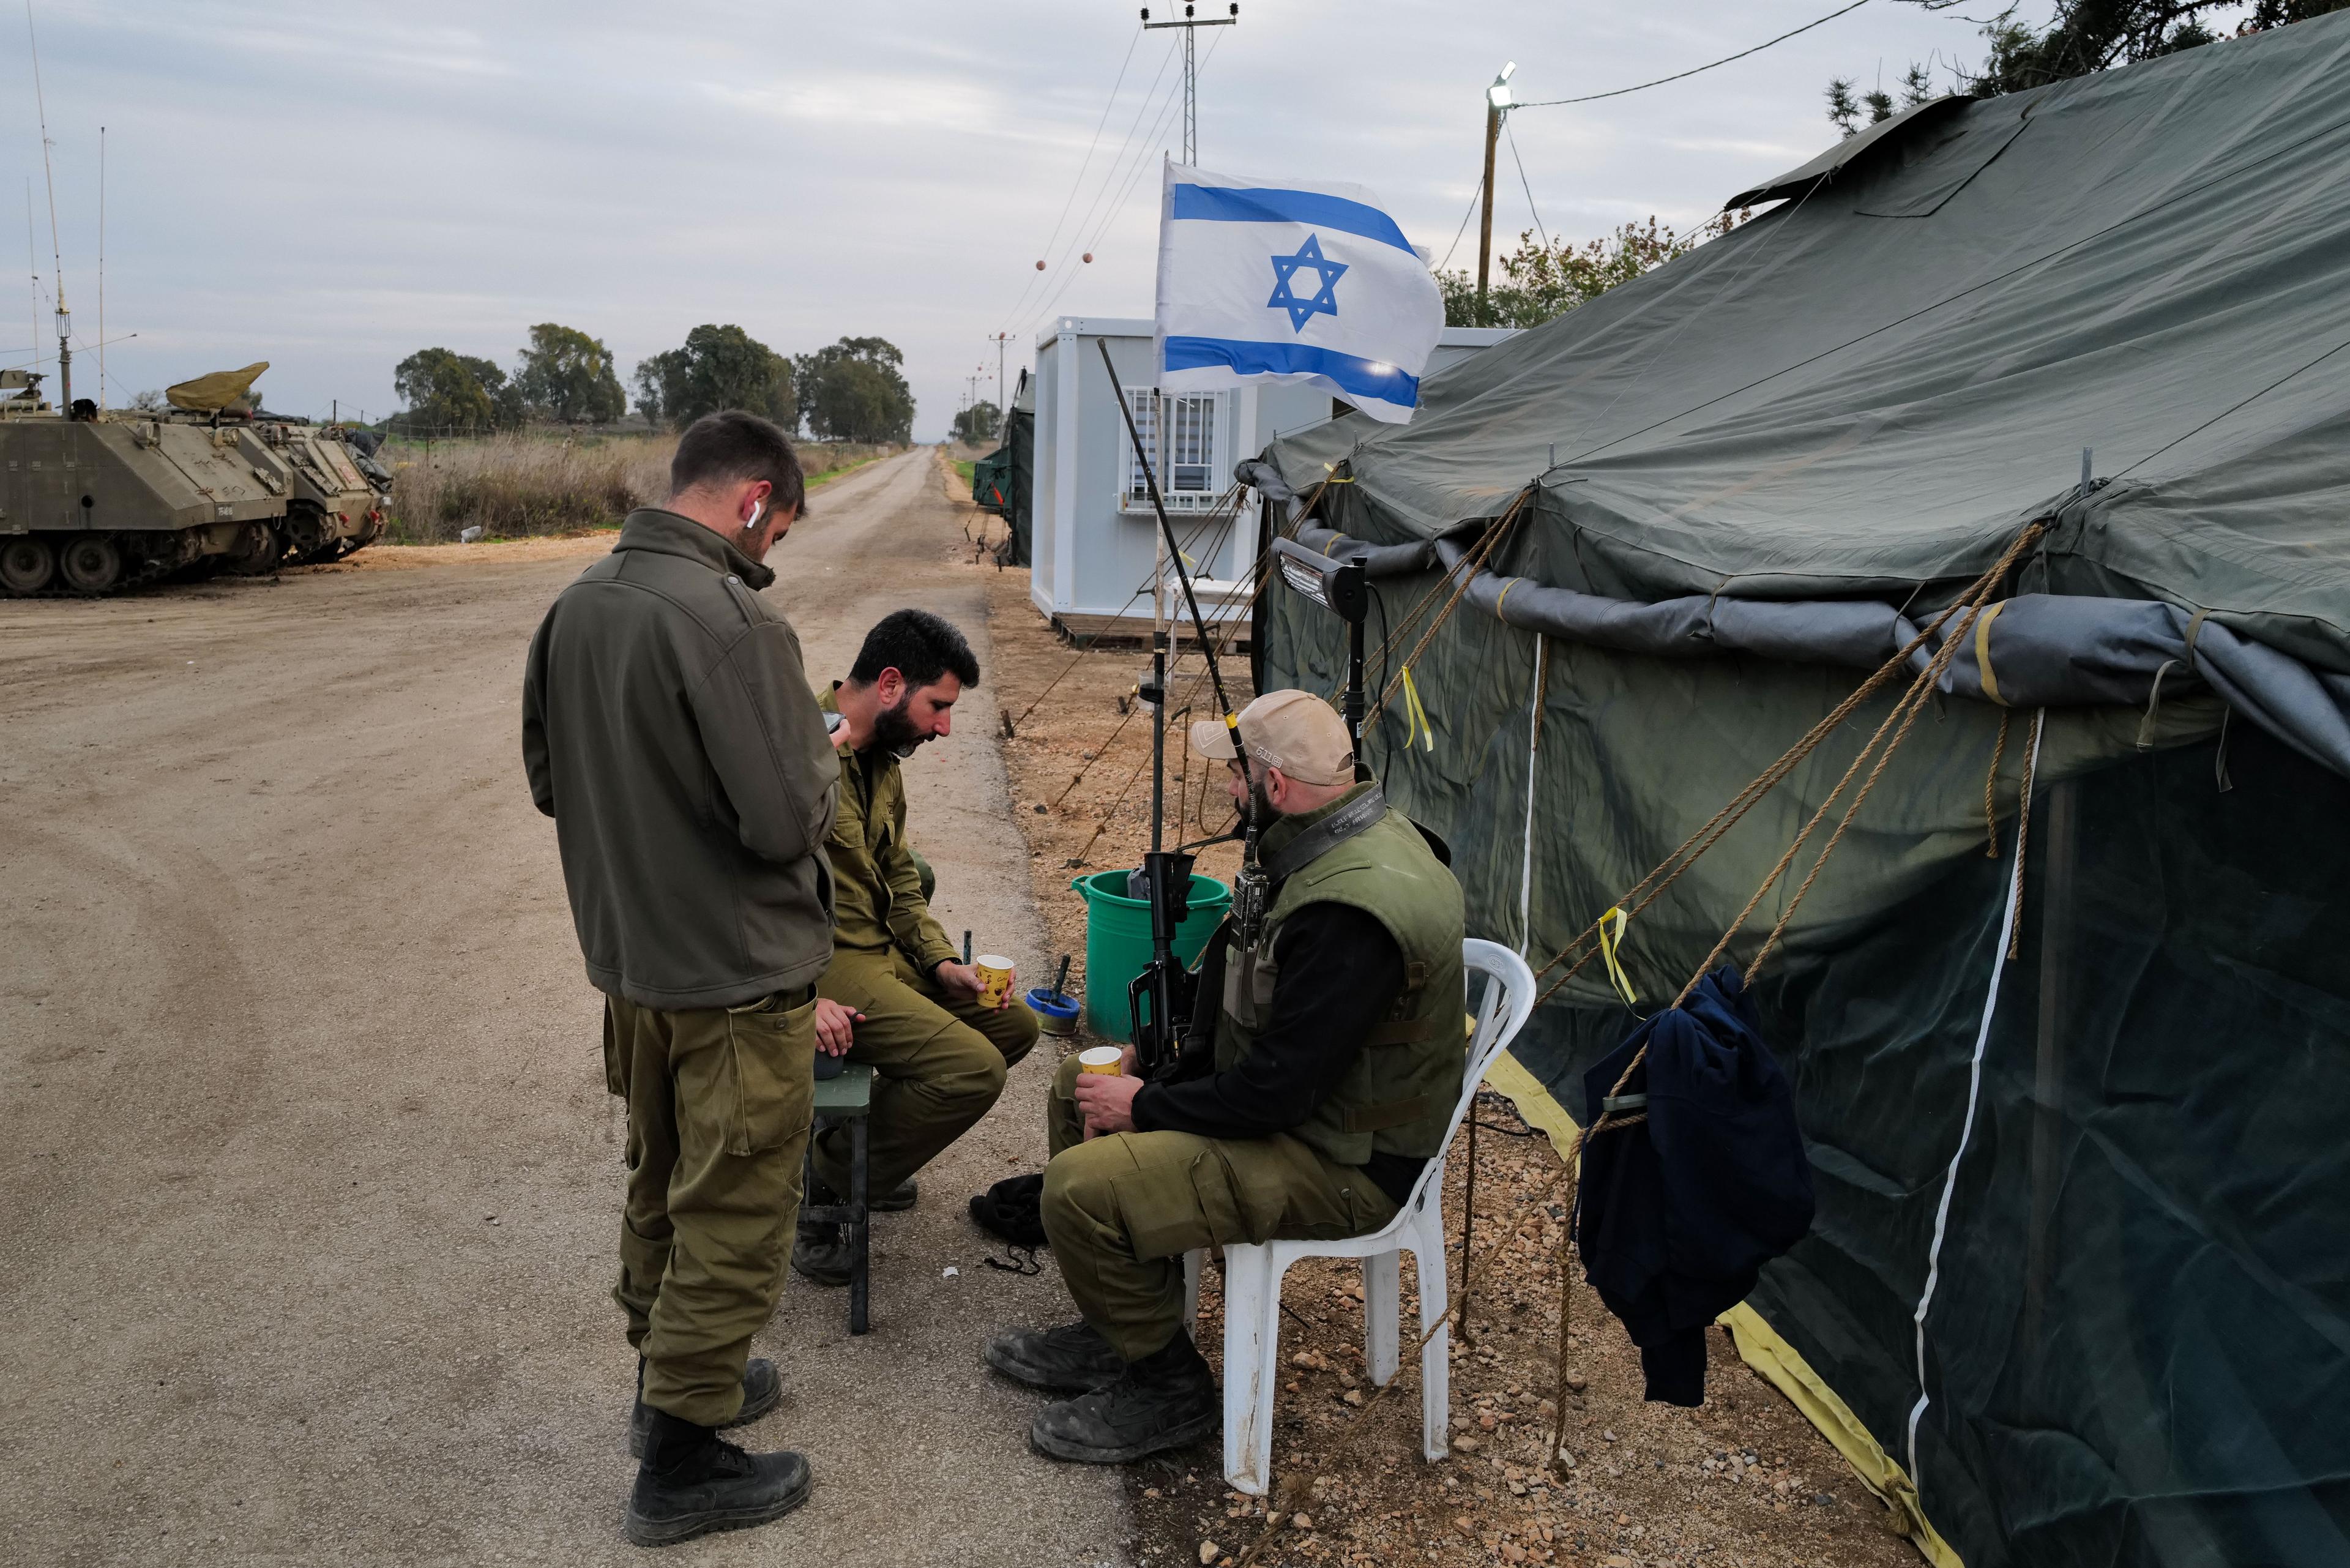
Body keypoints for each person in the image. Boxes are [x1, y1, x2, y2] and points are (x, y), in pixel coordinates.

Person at [984, 689, 1466, 1463]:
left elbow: (1277, 1092)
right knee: (1076, 1082)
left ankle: (1169, 1387)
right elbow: (1247, 998)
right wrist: (1161, 1064)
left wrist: (1147, 1105)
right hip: (1301, 1117)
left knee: (1078, 1187)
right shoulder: (1315, 846)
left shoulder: (1351, 911)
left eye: (1237, 777)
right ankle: (1124, 1324)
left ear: (1274, 786)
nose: (1229, 791)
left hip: (1344, 1165)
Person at [521, 409, 843, 1547]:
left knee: (659, 1177)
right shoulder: (732, 621)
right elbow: (781, 817)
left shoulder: (579, 605)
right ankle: (683, 1457)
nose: (773, 557)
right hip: (736, 980)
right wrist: (827, 758)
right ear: (754, 499)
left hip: (635, 969)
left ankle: (672, 1379)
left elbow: (553, 783)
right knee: (737, 1205)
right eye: (779, 531)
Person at [795, 609, 1041, 1283]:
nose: (945, 727)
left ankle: (867, 1152)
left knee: (1014, 1025)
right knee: (971, 1071)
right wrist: (798, 999)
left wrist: (941, 962)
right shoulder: (801, 750)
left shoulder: (881, 757)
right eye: (939, 707)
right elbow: (746, 889)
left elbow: (899, 874)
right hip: (827, 964)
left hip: (883, 952)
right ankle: (825, 1182)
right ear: (892, 683)